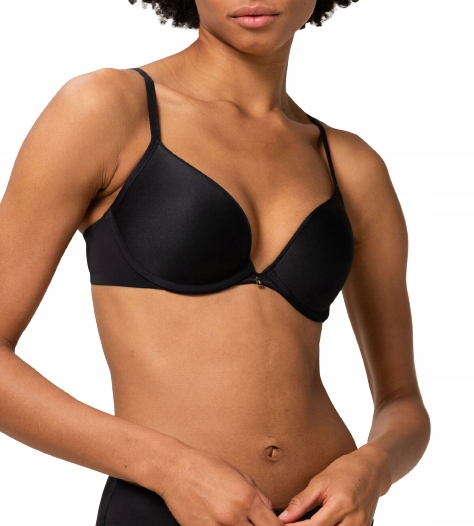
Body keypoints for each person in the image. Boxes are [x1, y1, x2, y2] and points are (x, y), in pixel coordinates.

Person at [0, 0, 431, 524]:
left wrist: (371, 469)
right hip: (165, 510)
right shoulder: (109, 109)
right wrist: (170, 469)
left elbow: (402, 401)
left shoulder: (351, 165)